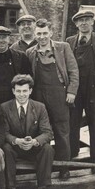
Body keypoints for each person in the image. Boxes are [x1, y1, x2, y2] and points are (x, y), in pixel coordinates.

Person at [26, 19, 79, 180]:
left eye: (44, 33)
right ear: (35, 34)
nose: (41, 37)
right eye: (39, 34)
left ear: (50, 33)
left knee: (62, 131)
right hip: (39, 95)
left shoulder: (63, 48)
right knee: (41, 131)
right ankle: (44, 167)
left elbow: (74, 71)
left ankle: (64, 167)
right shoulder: (30, 52)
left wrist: (71, 92)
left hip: (60, 95)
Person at [0, 74, 54, 189]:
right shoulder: (5, 107)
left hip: (33, 146)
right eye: (18, 91)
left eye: (25, 91)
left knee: (48, 148)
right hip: (15, 147)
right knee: (5, 148)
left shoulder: (40, 107)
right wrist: (17, 141)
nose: (21, 94)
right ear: (13, 91)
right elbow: (3, 133)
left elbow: (48, 132)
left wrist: (34, 141)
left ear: (30, 91)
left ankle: (43, 188)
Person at [66, 10, 95, 172]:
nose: (84, 23)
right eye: (81, 21)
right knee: (72, 122)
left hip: (94, 90)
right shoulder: (69, 42)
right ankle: (72, 156)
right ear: (76, 24)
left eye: (87, 20)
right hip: (75, 90)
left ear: (93, 22)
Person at [0, 26, 32, 108]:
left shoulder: (21, 57)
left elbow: (28, 80)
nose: (1, 40)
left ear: (9, 39)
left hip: (14, 102)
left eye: (4, 37)